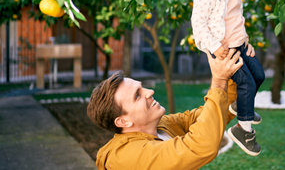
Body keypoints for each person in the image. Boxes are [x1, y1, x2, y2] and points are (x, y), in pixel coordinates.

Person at [87, 49, 242, 170]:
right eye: (137, 96)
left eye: (142, 88)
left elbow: (206, 117)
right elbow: (201, 146)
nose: (150, 92)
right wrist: (219, 79)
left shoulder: (162, 126)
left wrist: (232, 68)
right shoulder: (125, 156)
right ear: (123, 121)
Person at [191, 0, 265, 156]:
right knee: (247, 84)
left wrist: (246, 41)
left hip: (239, 46)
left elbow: (235, 23)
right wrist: (214, 46)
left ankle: (240, 107)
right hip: (224, 51)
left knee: (259, 76)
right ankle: (243, 131)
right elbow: (199, 23)